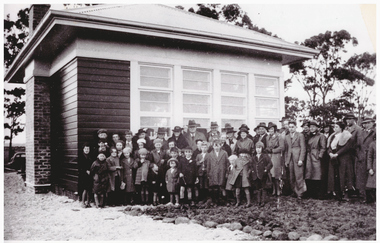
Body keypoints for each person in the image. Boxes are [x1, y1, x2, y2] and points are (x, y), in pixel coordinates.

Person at [327, 121, 354, 201]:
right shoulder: (332, 137)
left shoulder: (347, 136)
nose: (334, 128)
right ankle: (335, 193)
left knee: (343, 175)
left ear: (341, 128)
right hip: (333, 157)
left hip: (343, 158)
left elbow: (346, 147)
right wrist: (330, 153)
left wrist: (337, 154)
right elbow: (328, 147)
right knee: (334, 175)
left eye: (336, 127)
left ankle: (344, 194)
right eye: (334, 127)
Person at [284, 120, 306, 200]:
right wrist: (286, 160)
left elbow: (303, 148)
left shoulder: (300, 135)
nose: (291, 129)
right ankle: (294, 191)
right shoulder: (286, 137)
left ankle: (300, 193)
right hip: (290, 158)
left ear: (296, 127)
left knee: (299, 175)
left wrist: (301, 159)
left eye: (292, 127)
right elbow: (286, 150)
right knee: (291, 176)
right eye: (289, 127)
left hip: (297, 158)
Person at [304, 120, 327, 199]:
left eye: (314, 127)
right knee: (309, 174)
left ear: (317, 128)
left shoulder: (321, 136)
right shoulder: (307, 135)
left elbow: (323, 147)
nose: (312, 128)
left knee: (317, 174)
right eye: (310, 127)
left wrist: (320, 156)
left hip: (316, 156)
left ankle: (319, 193)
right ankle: (311, 192)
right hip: (309, 156)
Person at [356, 117, 376, 201]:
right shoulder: (361, 132)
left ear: (373, 123)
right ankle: (363, 196)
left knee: (371, 178)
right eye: (365, 123)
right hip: (361, 157)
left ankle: (370, 198)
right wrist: (359, 154)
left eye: (368, 123)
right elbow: (357, 145)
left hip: (371, 158)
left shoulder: (376, 132)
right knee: (362, 177)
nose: (366, 125)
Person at [343, 112, 363, 196]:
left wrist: (350, 147)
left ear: (354, 120)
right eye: (347, 119)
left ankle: (356, 190)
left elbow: (359, 143)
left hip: (354, 153)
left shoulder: (358, 129)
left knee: (355, 172)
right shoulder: (345, 129)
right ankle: (349, 188)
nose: (348, 121)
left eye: (350, 119)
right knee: (348, 172)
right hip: (346, 154)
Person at [205, 139, 229, 205]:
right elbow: (208, 165)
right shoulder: (210, 154)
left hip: (222, 172)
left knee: (222, 186)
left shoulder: (224, 153)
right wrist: (208, 173)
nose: (216, 147)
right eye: (215, 146)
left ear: (220, 146)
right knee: (214, 187)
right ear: (212, 146)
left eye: (218, 146)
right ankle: (215, 201)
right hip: (213, 172)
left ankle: (223, 201)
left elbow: (227, 163)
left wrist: (227, 172)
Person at [265, 122, 284, 196]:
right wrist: (268, 149)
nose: (270, 130)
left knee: (276, 173)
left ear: (275, 129)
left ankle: (278, 189)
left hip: (276, 156)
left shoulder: (279, 136)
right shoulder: (267, 137)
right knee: (271, 173)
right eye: (269, 129)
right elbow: (267, 146)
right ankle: (273, 189)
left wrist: (273, 150)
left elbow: (282, 147)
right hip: (270, 156)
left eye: (272, 129)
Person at [251, 142, 273, 206]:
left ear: (262, 148)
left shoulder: (265, 156)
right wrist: (252, 171)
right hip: (256, 175)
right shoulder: (253, 157)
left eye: (260, 148)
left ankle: (263, 201)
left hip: (263, 175)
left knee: (264, 188)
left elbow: (270, 164)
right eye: (257, 148)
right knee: (258, 188)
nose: (258, 150)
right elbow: (251, 165)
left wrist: (266, 169)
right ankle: (258, 201)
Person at [150, 138, 169, 204]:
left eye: (159, 144)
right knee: (155, 185)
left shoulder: (164, 152)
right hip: (155, 171)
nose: (158, 145)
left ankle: (162, 200)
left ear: (161, 145)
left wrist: (164, 160)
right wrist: (153, 166)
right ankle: (155, 200)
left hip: (162, 170)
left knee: (162, 185)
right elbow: (150, 161)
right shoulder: (152, 152)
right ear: (154, 145)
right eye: (156, 144)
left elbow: (167, 160)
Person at [78, 142, 93, 208]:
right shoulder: (81, 157)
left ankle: (88, 202)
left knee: (89, 189)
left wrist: (90, 171)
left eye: (88, 149)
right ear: (83, 149)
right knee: (85, 189)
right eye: (85, 149)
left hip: (90, 174)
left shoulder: (90, 156)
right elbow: (80, 166)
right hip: (83, 175)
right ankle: (83, 202)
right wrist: (85, 170)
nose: (87, 150)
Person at [365, 134, 376, 204]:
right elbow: (369, 157)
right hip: (375, 166)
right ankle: (373, 200)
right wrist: (370, 168)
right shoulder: (373, 144)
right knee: (371, 185)